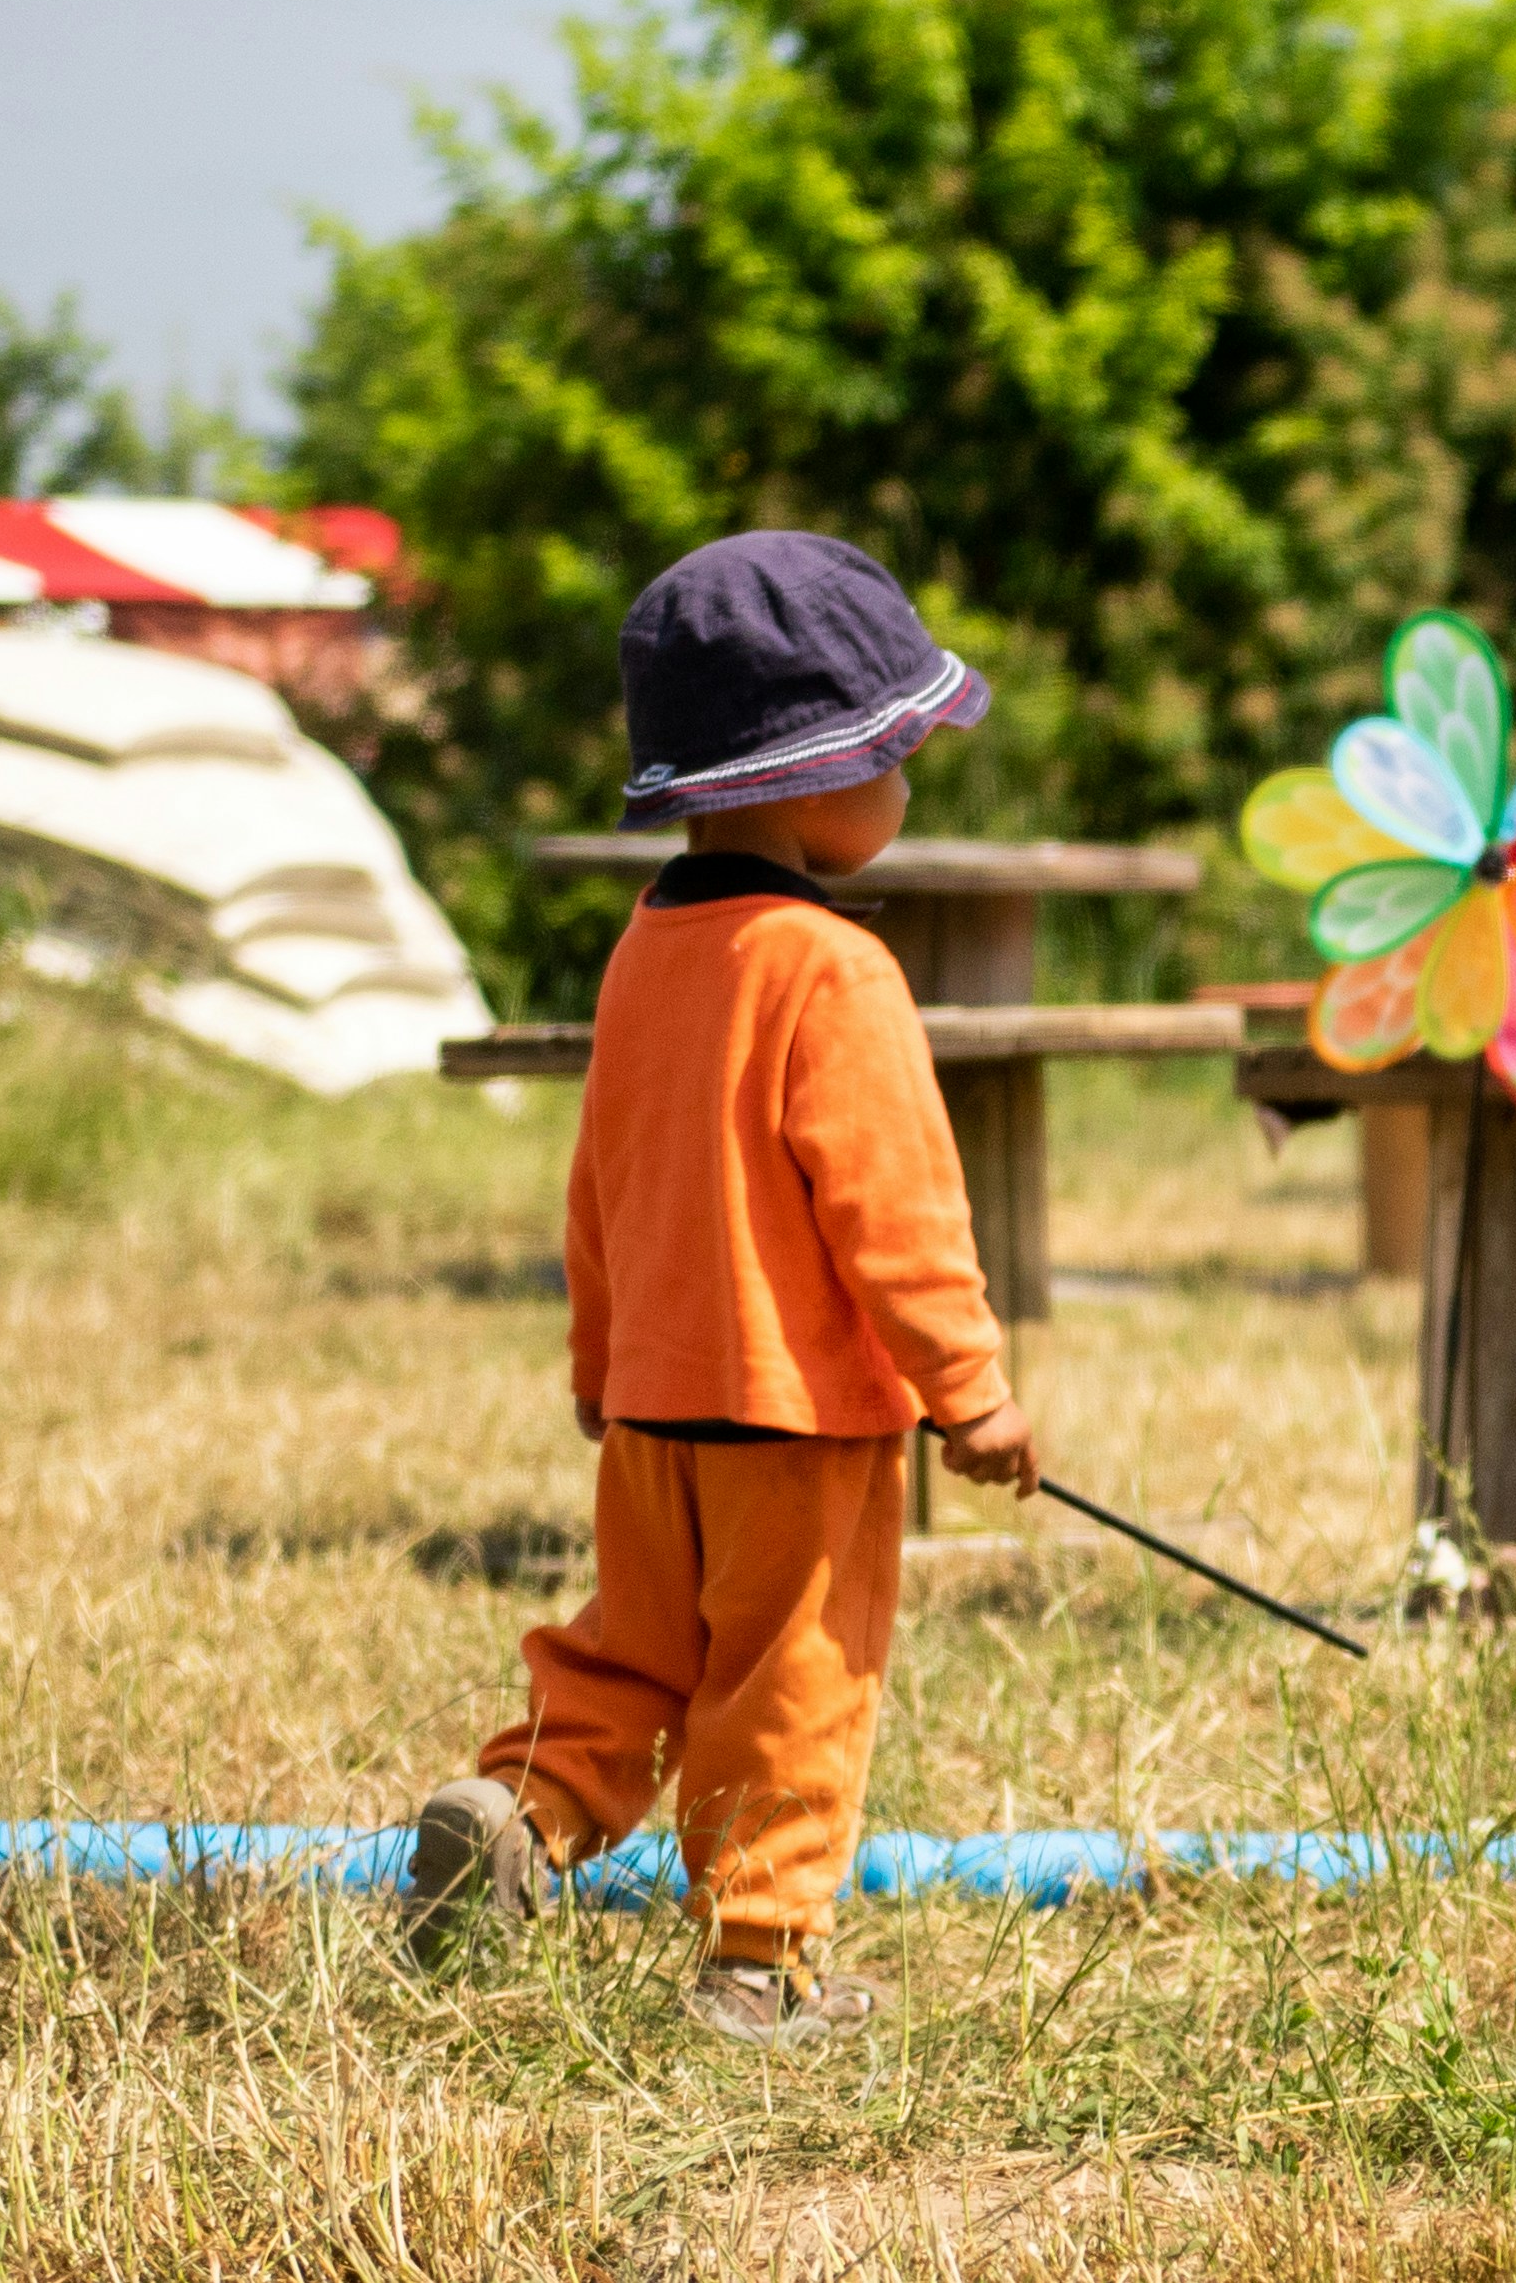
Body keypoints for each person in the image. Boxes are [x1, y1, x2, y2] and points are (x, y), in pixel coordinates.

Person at [401, 530, 1038, 2045]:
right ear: (811, 780)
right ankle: (760, 1961)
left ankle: (523, 1801)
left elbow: (601, 1174)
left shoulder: (646, 954)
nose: (912, 782)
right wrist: (976, 1393)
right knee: (791, 1678)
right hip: (801, 1423)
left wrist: (598, 1355)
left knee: (636, 1646)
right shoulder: (836, 972)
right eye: (900, 751)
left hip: (653, 1410)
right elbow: (903, 1218)